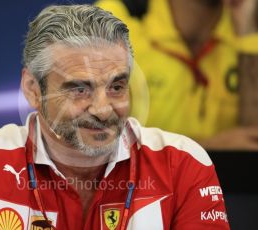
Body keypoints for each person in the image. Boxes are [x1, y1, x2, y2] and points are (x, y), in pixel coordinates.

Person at [0, 4, 229, 229]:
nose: (102, 109)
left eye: (117, 86)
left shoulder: (184, 163)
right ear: (33, 89)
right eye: (79, 89)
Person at [96, 0, 258, 150]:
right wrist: (208, 148)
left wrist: (249, 35)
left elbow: (251, 145)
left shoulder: (246, 22)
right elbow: (94, 144)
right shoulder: (113, 19)